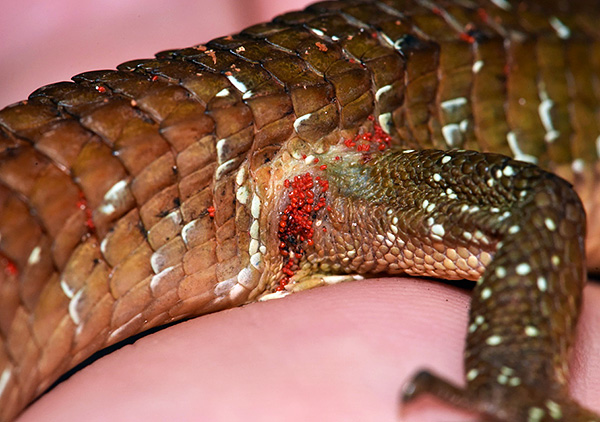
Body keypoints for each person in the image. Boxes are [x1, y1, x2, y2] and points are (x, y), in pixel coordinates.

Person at [3, 1, 600, 421]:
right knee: (536, 211)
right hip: (329, 155)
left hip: (311, 110)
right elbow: (537, 212)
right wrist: (518, 382)